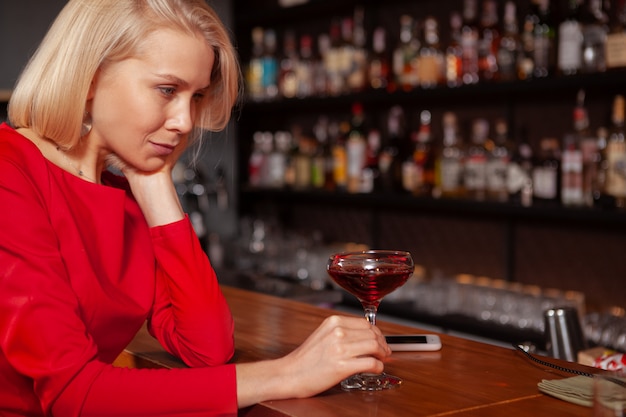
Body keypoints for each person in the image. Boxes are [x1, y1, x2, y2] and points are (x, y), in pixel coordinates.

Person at [0, 0, 392, 415]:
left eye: (197, 96)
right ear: (91, 75)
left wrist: (154, 185)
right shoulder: (10, 175)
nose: (186, 122)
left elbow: (207, 348)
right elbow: (74, 394)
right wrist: (287, 373)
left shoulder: (122, 193)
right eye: (167, 90)